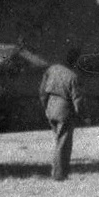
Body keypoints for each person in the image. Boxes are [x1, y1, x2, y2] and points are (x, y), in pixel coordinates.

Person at [39, 48, 86, 180]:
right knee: (63, 144)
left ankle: (56, 171)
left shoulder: (52, 69)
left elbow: (42, 92)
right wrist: (82, 116)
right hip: (64, 111)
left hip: (51, 108)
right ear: (75, 61)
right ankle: (59, 175)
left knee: (59, 141)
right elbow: (78, 100)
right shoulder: (73, 77)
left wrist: (46, 107)